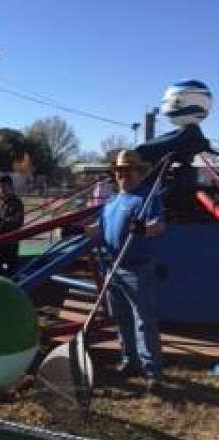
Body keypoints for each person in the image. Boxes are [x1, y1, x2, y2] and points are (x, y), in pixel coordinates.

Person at [86, 150, 165, 391]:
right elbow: (99, 229)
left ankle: (151, 371)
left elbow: (159, 226)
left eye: (128, 170)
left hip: (137, 269)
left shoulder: (147, 198)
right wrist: (81, 231)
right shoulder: (111, 202)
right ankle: (129, 360)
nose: (123, 175)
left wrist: (144, 229)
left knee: (144, 321)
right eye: (120, 171)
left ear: (138, 172)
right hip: (112, 267)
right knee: (121, 319)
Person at [0, 175, 25, 275]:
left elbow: (16, 222)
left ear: (10, 186)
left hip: (11, 242)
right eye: (0, 187)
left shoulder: (16, 202)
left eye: (4, 186)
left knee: (12, 270)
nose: (2, 189)